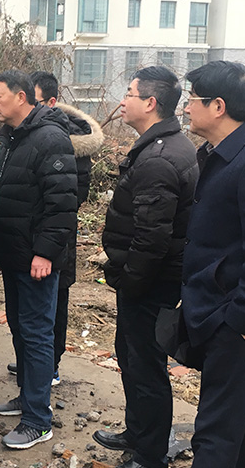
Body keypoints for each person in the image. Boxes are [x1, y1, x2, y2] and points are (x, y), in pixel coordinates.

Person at [95, 66, 199, 468]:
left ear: (150, 103)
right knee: (132, 358)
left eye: (130, 94)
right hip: (147, 280)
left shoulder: (159, 158)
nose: (123, 101)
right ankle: (137, 432)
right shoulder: (163, 146)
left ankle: (150, 454)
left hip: (151, 284)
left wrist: (130, 282)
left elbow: (151, 239)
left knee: (146, 366)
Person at [182, 61, 245, 468]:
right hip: (226, 312)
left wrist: (241, 323)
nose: (186, 107)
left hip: (241, 323)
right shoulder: (228, 152)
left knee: (214, 434)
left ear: (218, 106)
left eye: (192, 99)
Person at [0, 70, 77, 449]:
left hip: (37, 259)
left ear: (21, 97)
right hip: (13, 255)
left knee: (38, 334)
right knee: (20, 329)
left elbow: (62, 204)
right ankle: (28, 397)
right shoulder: (10, 137)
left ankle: (38, 420)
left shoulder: (50, 138)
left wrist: (45, 252)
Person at [7, 71, 104, 383]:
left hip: (55, 241)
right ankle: (34, 369)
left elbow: (68, 199)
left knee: (53, 307)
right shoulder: (21, 135)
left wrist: (47, 245)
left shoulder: (65, 142)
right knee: (28, 317)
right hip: (30, 240)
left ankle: (51, 366)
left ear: (50, 102)